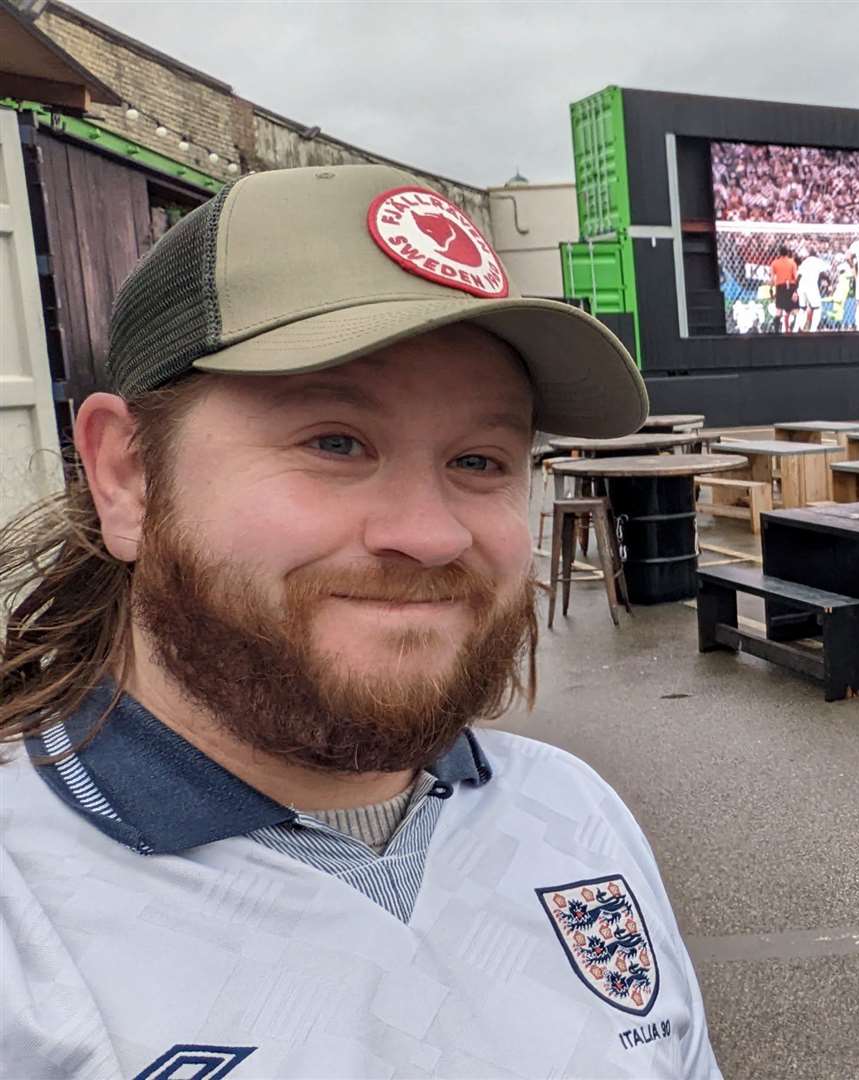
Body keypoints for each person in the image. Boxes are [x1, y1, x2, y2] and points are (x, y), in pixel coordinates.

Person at [0, 165, 721, 1079]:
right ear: (128, 476)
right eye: (335, 442)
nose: (427, 535)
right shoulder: (24, 907)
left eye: (479, 459)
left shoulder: (572, 812)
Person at [794, 247, 829, 333]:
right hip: (811, 285)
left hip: (802, 285)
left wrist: (795, 290)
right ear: (816, 255)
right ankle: (813, 329)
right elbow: (824, 273)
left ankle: (797, 328)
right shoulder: (818, 261)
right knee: (817, 308)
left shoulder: (805, 262)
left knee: (802, 308)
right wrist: (829, 281)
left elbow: (798, 276)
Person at [769, 245, 798, 333]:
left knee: (779, 311)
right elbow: (796, 277)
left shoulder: (774, 263)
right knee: (794, 310)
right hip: (791, 286)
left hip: (780, 287)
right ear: (788, 253)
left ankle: (777, 330)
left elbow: (772, 278)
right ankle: (793, 330)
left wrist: (771, 290)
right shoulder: (792, 262)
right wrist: (795, 291)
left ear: (779, 253)